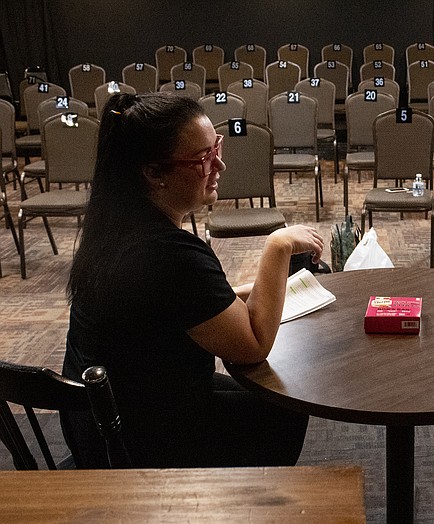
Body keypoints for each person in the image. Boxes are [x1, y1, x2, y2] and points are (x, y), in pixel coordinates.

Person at [61, 93, 324, 468]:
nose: (220, 164)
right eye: (203, 159)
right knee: (284, 405)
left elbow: (169, 311)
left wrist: (251, 291)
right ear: (153, 172)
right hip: (140, 442)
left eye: (216, 147)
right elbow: (252, 346)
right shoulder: (170, 255)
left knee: (266, 392)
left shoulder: (115, 227)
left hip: (99, 419)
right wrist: (278, 246)